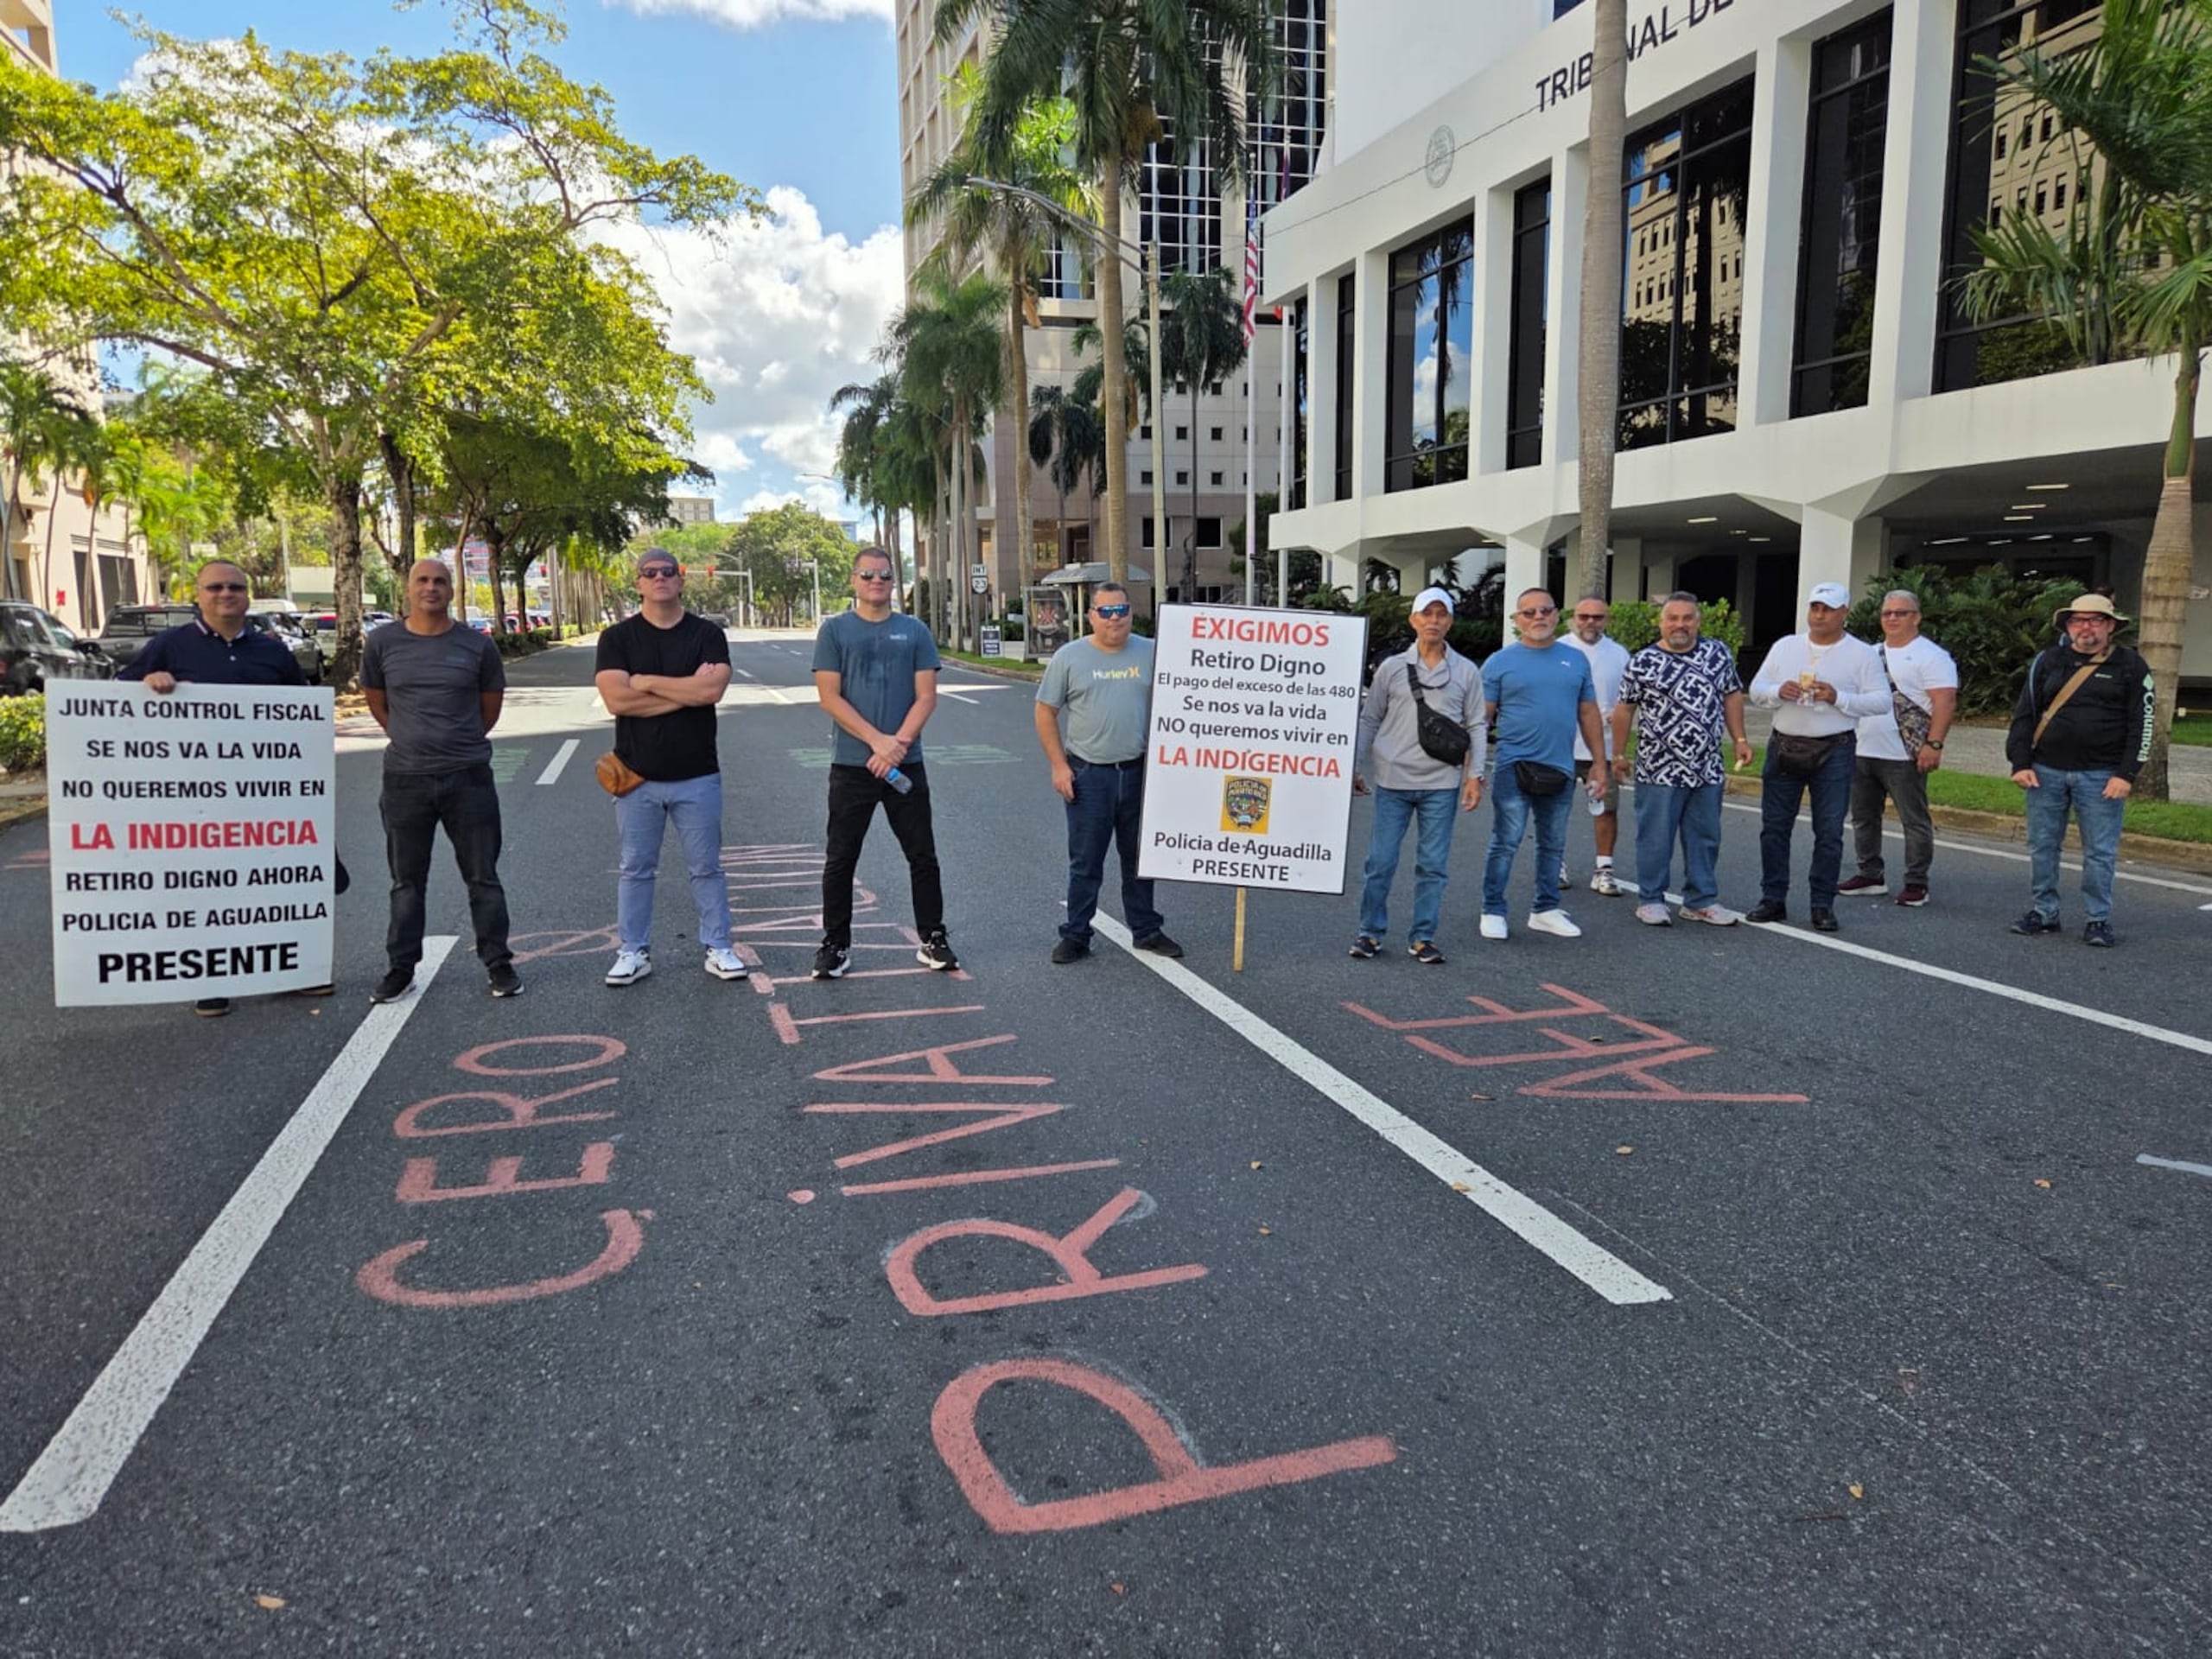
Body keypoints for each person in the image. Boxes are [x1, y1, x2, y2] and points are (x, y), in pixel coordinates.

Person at [118, 558, 320, 1017]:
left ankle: (295, 969)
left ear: (247, 595)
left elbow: (303, 708)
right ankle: (212, 979)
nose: (225, 594)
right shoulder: (170, 645)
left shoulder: (272, 650)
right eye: (215, 587)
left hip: (269, 793)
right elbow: (118, 699)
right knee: (211, 887)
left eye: (235, 587)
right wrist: (149, 683)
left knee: (274, 882)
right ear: (199, 594)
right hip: (198, 799)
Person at [360, 559, 518, 1001]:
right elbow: (378, 704)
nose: (431, 588)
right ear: (408, 589)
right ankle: (400, 968)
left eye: (440, 581)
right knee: (406, 881)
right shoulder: (382, 642)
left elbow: (489, 709)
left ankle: (498, 964)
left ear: (452, 590)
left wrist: (457, 744)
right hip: (405, 781)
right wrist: (413, 740)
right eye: (422, 581)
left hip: (468, 777)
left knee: (483, 876)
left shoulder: (476, 646)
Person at [593, 550, 742, 986]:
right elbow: (617, 700)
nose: (660, 578)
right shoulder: (617, 638)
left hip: (697, 774)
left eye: (668, 572)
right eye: (650, 573)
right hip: (636, 776)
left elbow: (713, 690)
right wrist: (687, 691)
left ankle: (719, 946)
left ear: (681, 580)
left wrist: (647, 681)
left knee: (706, 866)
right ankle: (633, 951)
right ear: (638, 583)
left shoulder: (706, 634)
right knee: (636, 868)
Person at [812, 547, 955, 980]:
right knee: (841, 859)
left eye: (885, 576)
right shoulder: (834, 631)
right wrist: (877, 741)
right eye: (869, 575)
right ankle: (835, 945)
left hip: (904, 765)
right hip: (852, 766)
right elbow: (829, 697)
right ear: (854, 581)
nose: (877, 582)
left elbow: (926, 696)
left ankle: (932, 938)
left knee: (922, 856)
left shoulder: (914, 631)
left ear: (894, 583)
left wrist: (898, 744)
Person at [1033, 582, 1181, 963]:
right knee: (1086, 862)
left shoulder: (1154, 651)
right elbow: (1045, 711)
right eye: (1106, 612)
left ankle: (1146, 929)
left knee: (1140, 860)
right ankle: (1077, 934)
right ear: (1091, 616)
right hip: (1088, 775)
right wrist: (1058, 766)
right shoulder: (1070, 657)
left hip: (1140, 772)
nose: (1114, 619)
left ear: (1132, 613)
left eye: (1121, 611)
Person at [2005, 592, 2152, 947]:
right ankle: (2044, 912)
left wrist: (2127, 774)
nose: (2085, 627)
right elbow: (2025, 714)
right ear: (2067, 626)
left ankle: (2098, 919)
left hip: (2102, 775)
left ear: (2111, 626)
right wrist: (2020, 762)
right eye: (2077, 620)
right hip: (2046, 771)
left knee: (2099, 852)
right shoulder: (2048, 661)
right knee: (2042, 845)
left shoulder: (2131, 666)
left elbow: (2142, 723)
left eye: (2095, 620)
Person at [1349, 587, 1484, 963]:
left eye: (1442, 615)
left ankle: (1423, 936)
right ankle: (1370, 933)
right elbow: (1370, 718)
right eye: (1427, 614)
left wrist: (1475, 775)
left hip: (1442, 782)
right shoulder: (1392, 668)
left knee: (1433, 865)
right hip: (1393, 779)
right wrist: (1355, 766)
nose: (1434, 621)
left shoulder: (1466, 671)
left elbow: (1476, 724)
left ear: (1450, 622)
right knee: (1380, 861)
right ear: (1414, 620)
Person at [1745, 582, 1888, 932]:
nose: (1819, 615)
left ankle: (1822, 903)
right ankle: (1772, 897)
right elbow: (1756, 690)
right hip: (1785, 743)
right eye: (1815, 608)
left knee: (1829, 832)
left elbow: (1881, 701)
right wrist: (1778, 691)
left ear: (1844, 613)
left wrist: (1839, 697)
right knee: (1774, 828)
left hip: (1834, 748)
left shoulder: (1862, 654)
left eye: (1828, 609)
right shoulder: (1786, 646)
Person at [1611, 593, 1751, 928]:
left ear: (1698, 622)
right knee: (1655, 837)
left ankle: (1700, 900)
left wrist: (1740, 740)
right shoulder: (1643, 661)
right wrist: (1618, 754)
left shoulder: (1716, 653)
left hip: (1706, 766)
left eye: (1687, 618)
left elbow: (1731, 694)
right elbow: (1625, 709)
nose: (1680, 625)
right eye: (1672, 618)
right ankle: (1651, 899)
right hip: (1658, 767)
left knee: (1705, 836)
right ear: (1661, 623)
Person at [1480, 588, 1607, 940]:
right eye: (1529, 612)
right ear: (1518, 619)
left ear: (1556, 615)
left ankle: (1545, 909)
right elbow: (1482, 720)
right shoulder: (1499, 662)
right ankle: (1492, 909)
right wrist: (1472, 769)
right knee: (1506, 841)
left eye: (1545, 611)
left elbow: (1588, 713)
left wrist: (1599, 764)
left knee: (1553, 843)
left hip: (1560, 768)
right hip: (1512, 765)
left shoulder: (1576, 660)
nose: (1538, 617)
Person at [1837, 589, 1958, 909]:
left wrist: (1934, 744)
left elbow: (1944, 702)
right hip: (1863, 748)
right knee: (1863, 817)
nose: (1892, 618)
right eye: (1887, 613)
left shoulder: (1931, 656)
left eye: (1900, 613)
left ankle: (1917, 882)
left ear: (1916, 617)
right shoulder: (1870, 653)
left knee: (1914, 820)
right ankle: (1870, 875)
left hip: (1905, 754)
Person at [1560, 594, 1630, 896]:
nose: (1590, 622)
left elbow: (1629, 700)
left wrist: (1618, 715)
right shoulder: (1557, 649)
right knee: (1555, 810)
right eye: (1584, 616)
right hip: (1561, 745)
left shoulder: (1619, 654)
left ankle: (1604, 869)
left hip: (1603, 748)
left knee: (1606, 810)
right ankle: (1555, 864)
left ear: (1607, 620)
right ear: (1574, 617)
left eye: (1597, 617)